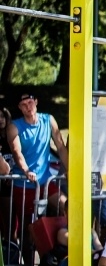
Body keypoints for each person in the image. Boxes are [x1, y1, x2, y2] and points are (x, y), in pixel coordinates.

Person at [4, 93, 69, 245]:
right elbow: (16, 151)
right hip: (24, 184)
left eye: (30, 103)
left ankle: (61, 251)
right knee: (27, 229)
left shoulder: (48, 120)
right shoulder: (14, 126)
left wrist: (70, 171)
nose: (28, 107)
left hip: (45, 182)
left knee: (67, 207)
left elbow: (60, 146)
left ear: (36, 102)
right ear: (20, 108)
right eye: (24, 104)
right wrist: (26, 171)